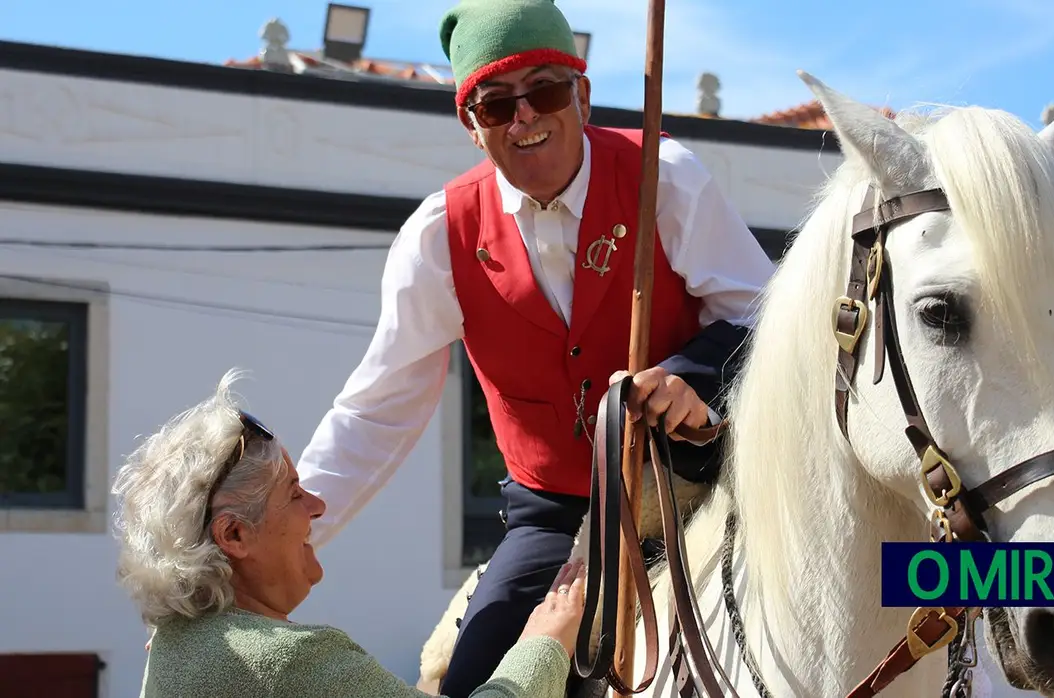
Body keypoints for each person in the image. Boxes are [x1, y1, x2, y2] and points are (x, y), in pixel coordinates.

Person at [296, 0, 776, 695]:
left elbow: (764, 318)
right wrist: (289, 537)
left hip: (699, 477)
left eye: (545, 90)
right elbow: (377, 409)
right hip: (557, 512)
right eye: (495, 105)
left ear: (582, 96)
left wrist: (685, 375)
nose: (524, 117)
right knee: (472, 679)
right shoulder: (438, 237)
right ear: (471, 127)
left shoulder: (665, 177)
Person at [112, 370, 586, 698]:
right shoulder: (286, 660)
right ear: (233, 535)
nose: (318, 507)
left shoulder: (174, 645)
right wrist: (545, 642)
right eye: (295, 493)